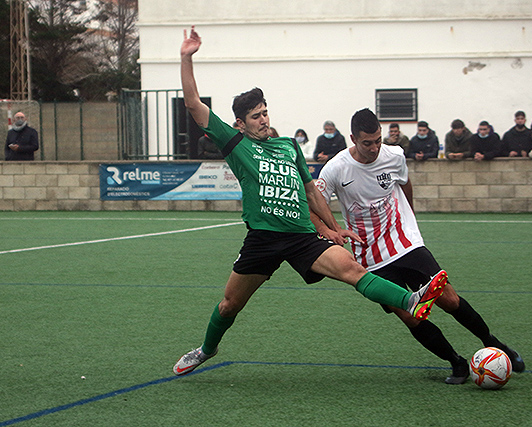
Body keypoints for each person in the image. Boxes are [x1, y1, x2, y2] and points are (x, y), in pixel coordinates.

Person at [173, 26, 448, 376]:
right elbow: (193, 105)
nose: (264, 119)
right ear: (240, 124)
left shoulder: (288, 146)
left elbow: (312, 191)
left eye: (265, 112)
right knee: (229, 306)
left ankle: (410, 299)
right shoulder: (236, 145)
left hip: (303, 237)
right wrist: (186, 58)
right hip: (262, 238)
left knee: (353, 270)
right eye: (256, 116)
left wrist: (333, 229)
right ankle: (206, 350)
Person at [312, 108, 525, 384]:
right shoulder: (336, 167)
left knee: (449, 299)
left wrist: (409, 216)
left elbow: (405, 183)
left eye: (378, 140)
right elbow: (313, 201)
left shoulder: (395, 155)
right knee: (410, 315)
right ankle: (456, 363)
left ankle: (494, 344)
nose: (375, 147)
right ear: (352, 138)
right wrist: (329, 230)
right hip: (371, 258)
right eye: (367, 143)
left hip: (405, 243)